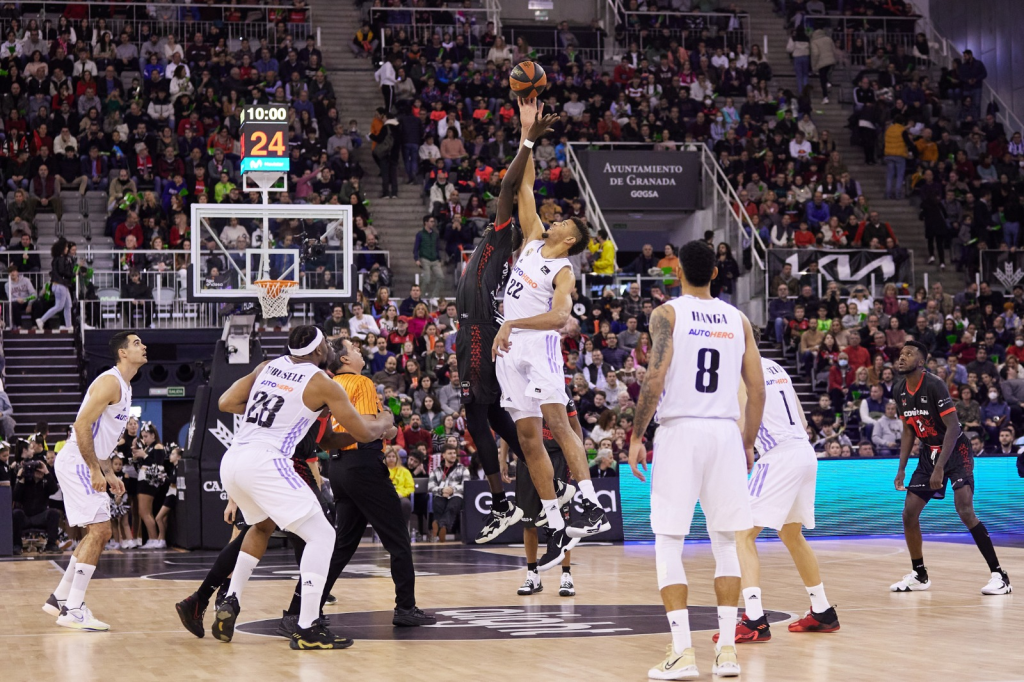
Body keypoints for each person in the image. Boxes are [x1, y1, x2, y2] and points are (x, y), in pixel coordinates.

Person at [627, 240, 765, 679]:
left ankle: (683, 652)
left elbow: (655, 375)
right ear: (716, 274)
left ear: (678, 270)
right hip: (725, 432)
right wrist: (747, 440)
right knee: (726, 542)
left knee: (669, 540)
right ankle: (727, 652)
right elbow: (758, 390)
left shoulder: (667, 314)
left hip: (681, 430)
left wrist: (636, 434)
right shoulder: (738, 319)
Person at [210, 325, 394, 649]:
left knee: (260, 527)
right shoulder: (321, 381)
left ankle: (232, 598)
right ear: (321, 350)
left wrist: (277, 414)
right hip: (267, 462)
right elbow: (366, 432)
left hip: (235, 459)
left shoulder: (268, 366)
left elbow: (226, 402)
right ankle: (307, 626)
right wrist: (385, 424)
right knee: (323, 535)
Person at [492, 98, 609, 570]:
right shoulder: (535, 236)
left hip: (535, 345)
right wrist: (528, 136)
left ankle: (590, 504)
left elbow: (561, 319)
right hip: (509, 348)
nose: (553, 217)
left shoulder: (562, 269)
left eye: (562, 221)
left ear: (570, 239)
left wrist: (513, 322)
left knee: (558, 425)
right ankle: (558, 522)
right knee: (526, 436)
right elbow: (524, 185)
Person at [455, 104, 557, 544]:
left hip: (478, 328)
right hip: (475, 329)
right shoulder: (506, 245)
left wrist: (529, 141)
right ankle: (543, 471)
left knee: (478, 411)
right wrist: (525, 133)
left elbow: (511, 185)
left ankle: (502, 502)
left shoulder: (503, 234)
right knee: (493, 413)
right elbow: (521, 185)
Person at [308, 339, 434, 628]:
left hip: (338, 467)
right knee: (398, 538)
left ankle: (308, 606)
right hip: (363, 464)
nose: (359, 350)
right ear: (344, 360)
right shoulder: (361, 382)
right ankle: (405, 607)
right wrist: (386, 425)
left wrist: (385, 426)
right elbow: (368, 428)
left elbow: (373, 428)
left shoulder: (328, 385)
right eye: (353, 348)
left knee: (342, 544)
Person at [721, 350, 839, 645]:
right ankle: (823, 610)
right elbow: (800, 416)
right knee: (791, 534)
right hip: (803, 451)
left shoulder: (741, 372)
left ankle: (754, 620)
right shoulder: (776, 366)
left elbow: (740, 424)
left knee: (742, 534)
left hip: (778, 457)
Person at [43, 331, 147, 630]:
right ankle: (73, 609)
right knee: (101, 531)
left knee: (95, 533)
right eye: (137, 343)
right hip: (77, 460)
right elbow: (81, 425)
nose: (143, 346)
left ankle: (60, 599)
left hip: (83, 460)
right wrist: (93, 469)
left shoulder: (125, 387)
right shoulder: (110, 381)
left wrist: (109, 471)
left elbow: (99, 437)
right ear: (123, 353)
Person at [891, 340, 1011, 596]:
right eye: (901, 354)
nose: (902, 357)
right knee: (908, 513)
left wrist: (940, 467)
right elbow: (908, 429)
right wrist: (901, 468)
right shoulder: (898, 388)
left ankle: (1000, 575)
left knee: (964, 509)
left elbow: (954, 428)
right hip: (928, 452)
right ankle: (920, 575)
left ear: (921, 361)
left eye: (908, 354)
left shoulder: (934, 384)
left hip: (955, 450)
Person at [12, 459, 62, 554]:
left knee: (54, 513)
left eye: (40, 471)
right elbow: (16, 497)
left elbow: (54, 489)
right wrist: (20, 479)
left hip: (40, 516)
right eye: (37, 471)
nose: (39, 473)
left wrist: (46, 472)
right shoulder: (24, 482)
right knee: (16, 513)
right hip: (25, 516)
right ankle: (17, 545)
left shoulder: (45, 482)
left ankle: (51, 545)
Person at [428, 444, 468, 542]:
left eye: (454, 453)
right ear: (444, 455)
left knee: (452, 506)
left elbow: (466, 484)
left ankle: (440, 526)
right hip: (441, 494)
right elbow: (430, 487)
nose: (453, 455)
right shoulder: (436, 470)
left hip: (456, 495)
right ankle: (441, 528)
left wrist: (452, 489)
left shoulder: (463, 469)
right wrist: (442, 490)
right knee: (438, 504)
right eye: (450, 453)